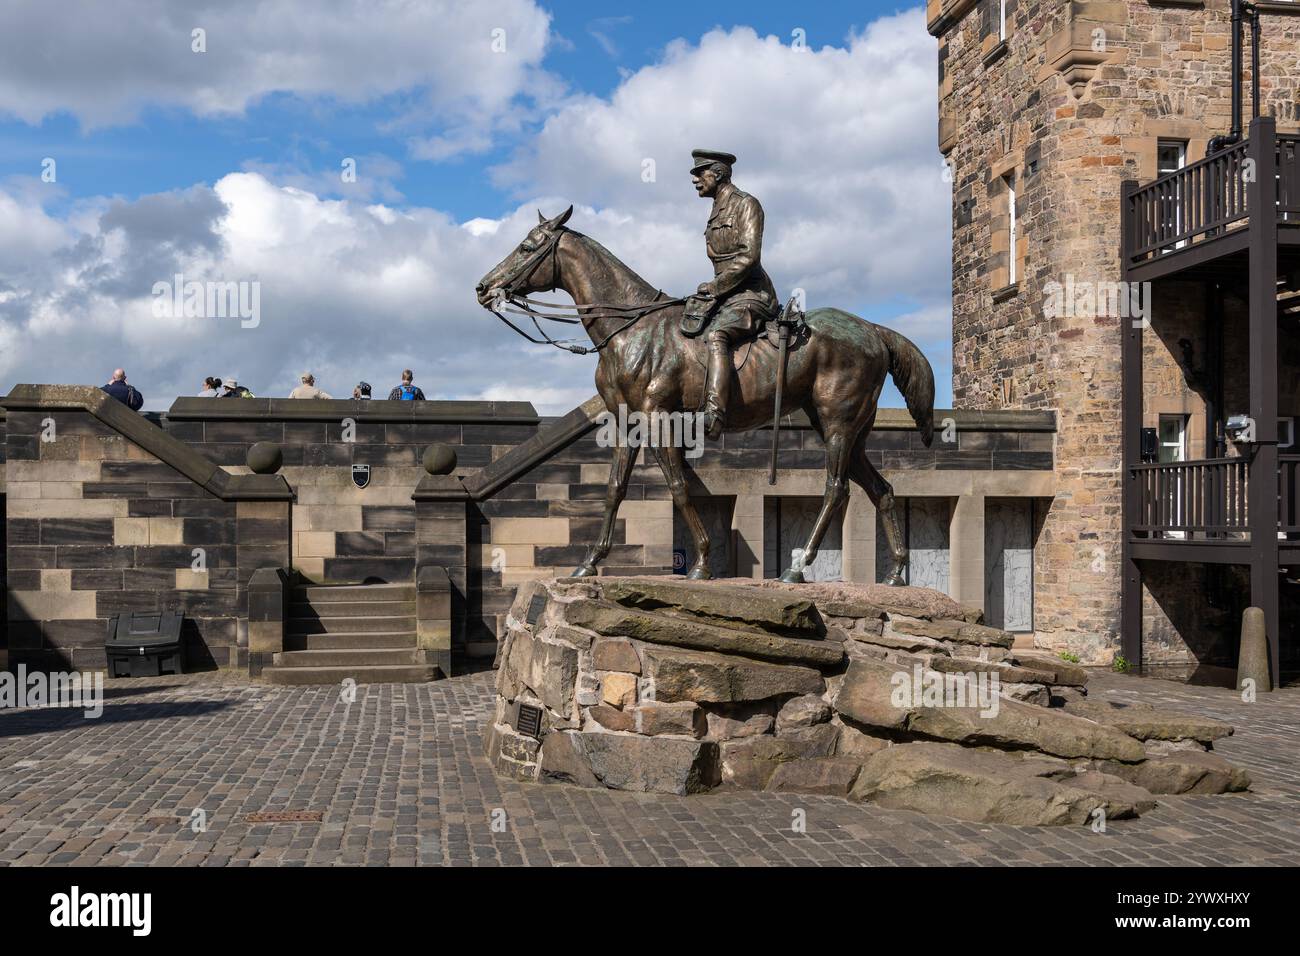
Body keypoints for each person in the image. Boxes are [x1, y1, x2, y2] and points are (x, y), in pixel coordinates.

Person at [681, 148, 780, 440]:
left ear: (719, 173)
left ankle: (714, 413)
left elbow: (749, 256)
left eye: (700, 173)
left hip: (752, 294)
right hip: (725, 296)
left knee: (717, 335)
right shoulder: (716, 210)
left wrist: (715, 287)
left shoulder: (746, 204)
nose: (696, 179)